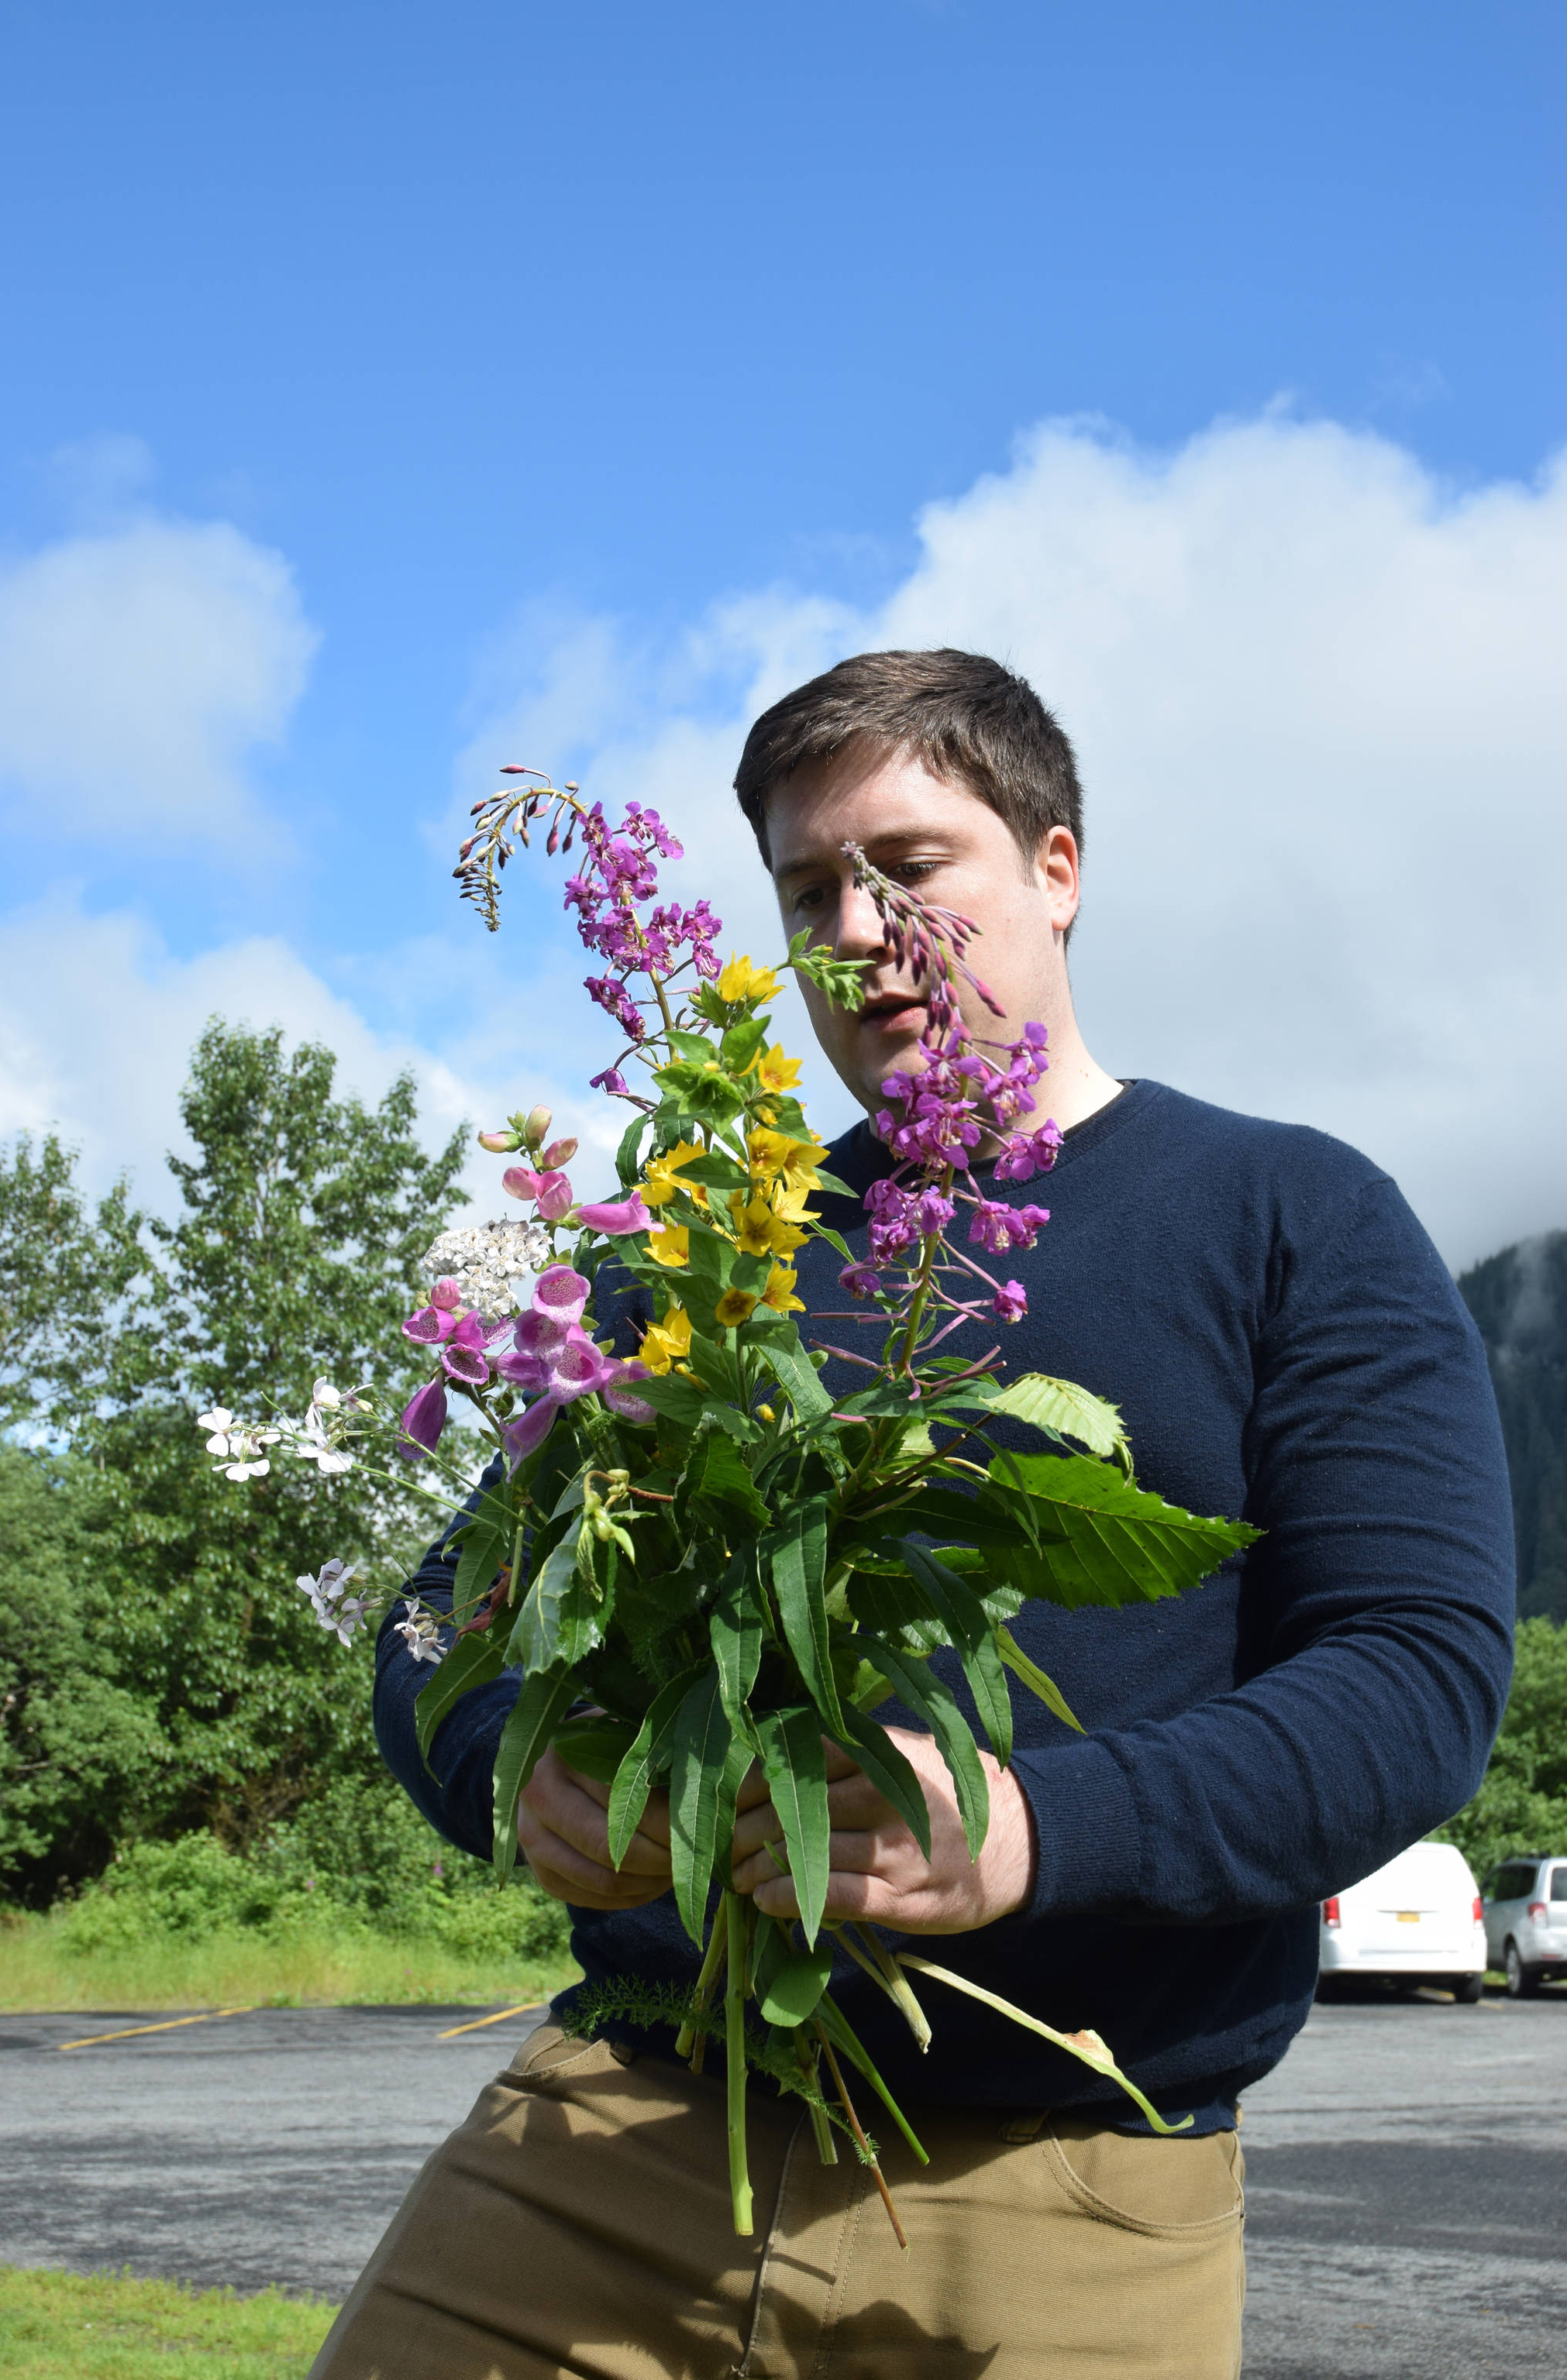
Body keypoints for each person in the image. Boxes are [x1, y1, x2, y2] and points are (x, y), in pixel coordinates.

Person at [312, 649, 1514, 2380]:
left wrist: (1033, 1829)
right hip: (608, 2139)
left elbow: (1412, 1680)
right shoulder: (710, 1247)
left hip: (1058, 2191)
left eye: (908, 865)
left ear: (1056, 869)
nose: (856, 928)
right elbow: (441, 1611)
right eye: (809, 890)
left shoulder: (1290, 1214)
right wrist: (520, 1757)